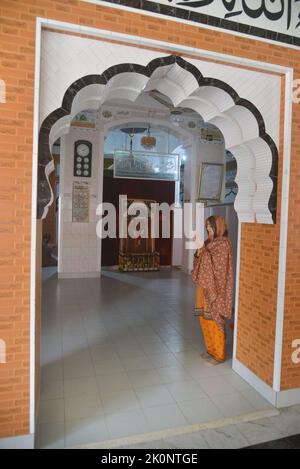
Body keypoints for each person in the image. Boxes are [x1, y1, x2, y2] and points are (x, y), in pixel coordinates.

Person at [192, 215, 233, 364]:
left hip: (216, 289)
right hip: (204, 286)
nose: (208, 229)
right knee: (205, 319)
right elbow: (199, 259)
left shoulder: (223, 244)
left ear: (218, 227)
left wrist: (202, 249)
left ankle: (219, 354)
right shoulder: (209, 242)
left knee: (215, 320)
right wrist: (199, 249)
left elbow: (218, 268)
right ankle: (211, 349)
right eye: (207, 227)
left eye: (210, 226)